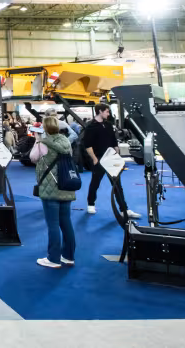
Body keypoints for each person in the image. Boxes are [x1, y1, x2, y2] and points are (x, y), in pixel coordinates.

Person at [80, 104, 140, 219]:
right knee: (95, 183)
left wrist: (117, 152)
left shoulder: (108, 125)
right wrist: (94, 159)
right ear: (100, 111)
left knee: (117, 185)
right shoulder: (91, 127)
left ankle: (124, 209)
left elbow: (113, 140)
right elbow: (87, 145)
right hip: (99, 159)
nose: (108, 114)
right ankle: (91, 204)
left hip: (111, 158)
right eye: (107, 112)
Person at [34, 116, 77, 269]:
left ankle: (53, 258)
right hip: (67, 186)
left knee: (53, 224)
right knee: (66, 223)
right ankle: (68, 256)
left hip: (50, 188)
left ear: (44, 128)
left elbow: (32, 157)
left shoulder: (43, 143)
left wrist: (37, 140)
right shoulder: (66, 142)